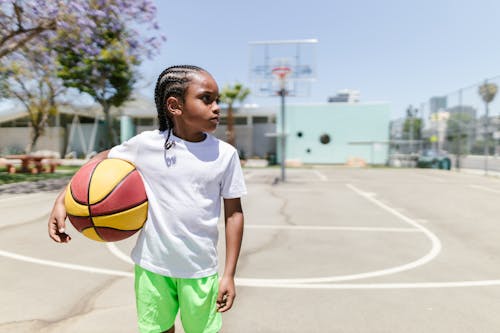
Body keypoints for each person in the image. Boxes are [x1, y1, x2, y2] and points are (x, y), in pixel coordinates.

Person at [48, 65, 247, 333]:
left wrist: (229, 274)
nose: (216, 107)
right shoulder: (145, 145)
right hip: (153, 267)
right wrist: (62, 200)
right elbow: (98, 162)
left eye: (217, 100)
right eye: (206, 98)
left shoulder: (225, 155)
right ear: (175, 105)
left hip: (200, 271)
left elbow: (234, 213)